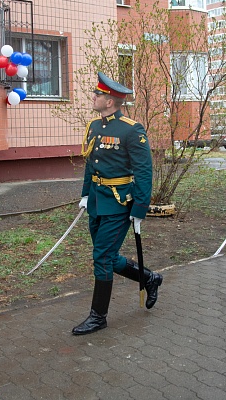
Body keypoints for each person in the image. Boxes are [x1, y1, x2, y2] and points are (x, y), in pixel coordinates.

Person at [73, 72, 162, 335]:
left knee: (101, 257)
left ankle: (98, 316)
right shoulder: (94, 126)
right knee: (108, 257)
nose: (93, 97)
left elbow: (144, 172)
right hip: (97, 203)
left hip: (118, 203)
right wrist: (86, 193)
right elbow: (91, 164)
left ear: (110, 101)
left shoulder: (131, 129)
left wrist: (139, 209)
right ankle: (149, 278)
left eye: (97, 94)